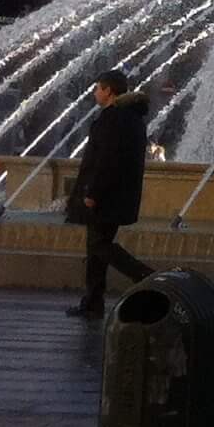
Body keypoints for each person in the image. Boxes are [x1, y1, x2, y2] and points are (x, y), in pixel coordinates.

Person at [65, 71, 153, 321]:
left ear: (108, 91)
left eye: (98, 89)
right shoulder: (132, 118)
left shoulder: (115, 119)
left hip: (106, 197)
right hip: (118, 195)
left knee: (99, 246)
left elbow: (107, 160)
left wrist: (93, 192)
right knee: (95, 248)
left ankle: (143, 274)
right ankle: (92, 303)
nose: (95, 93)